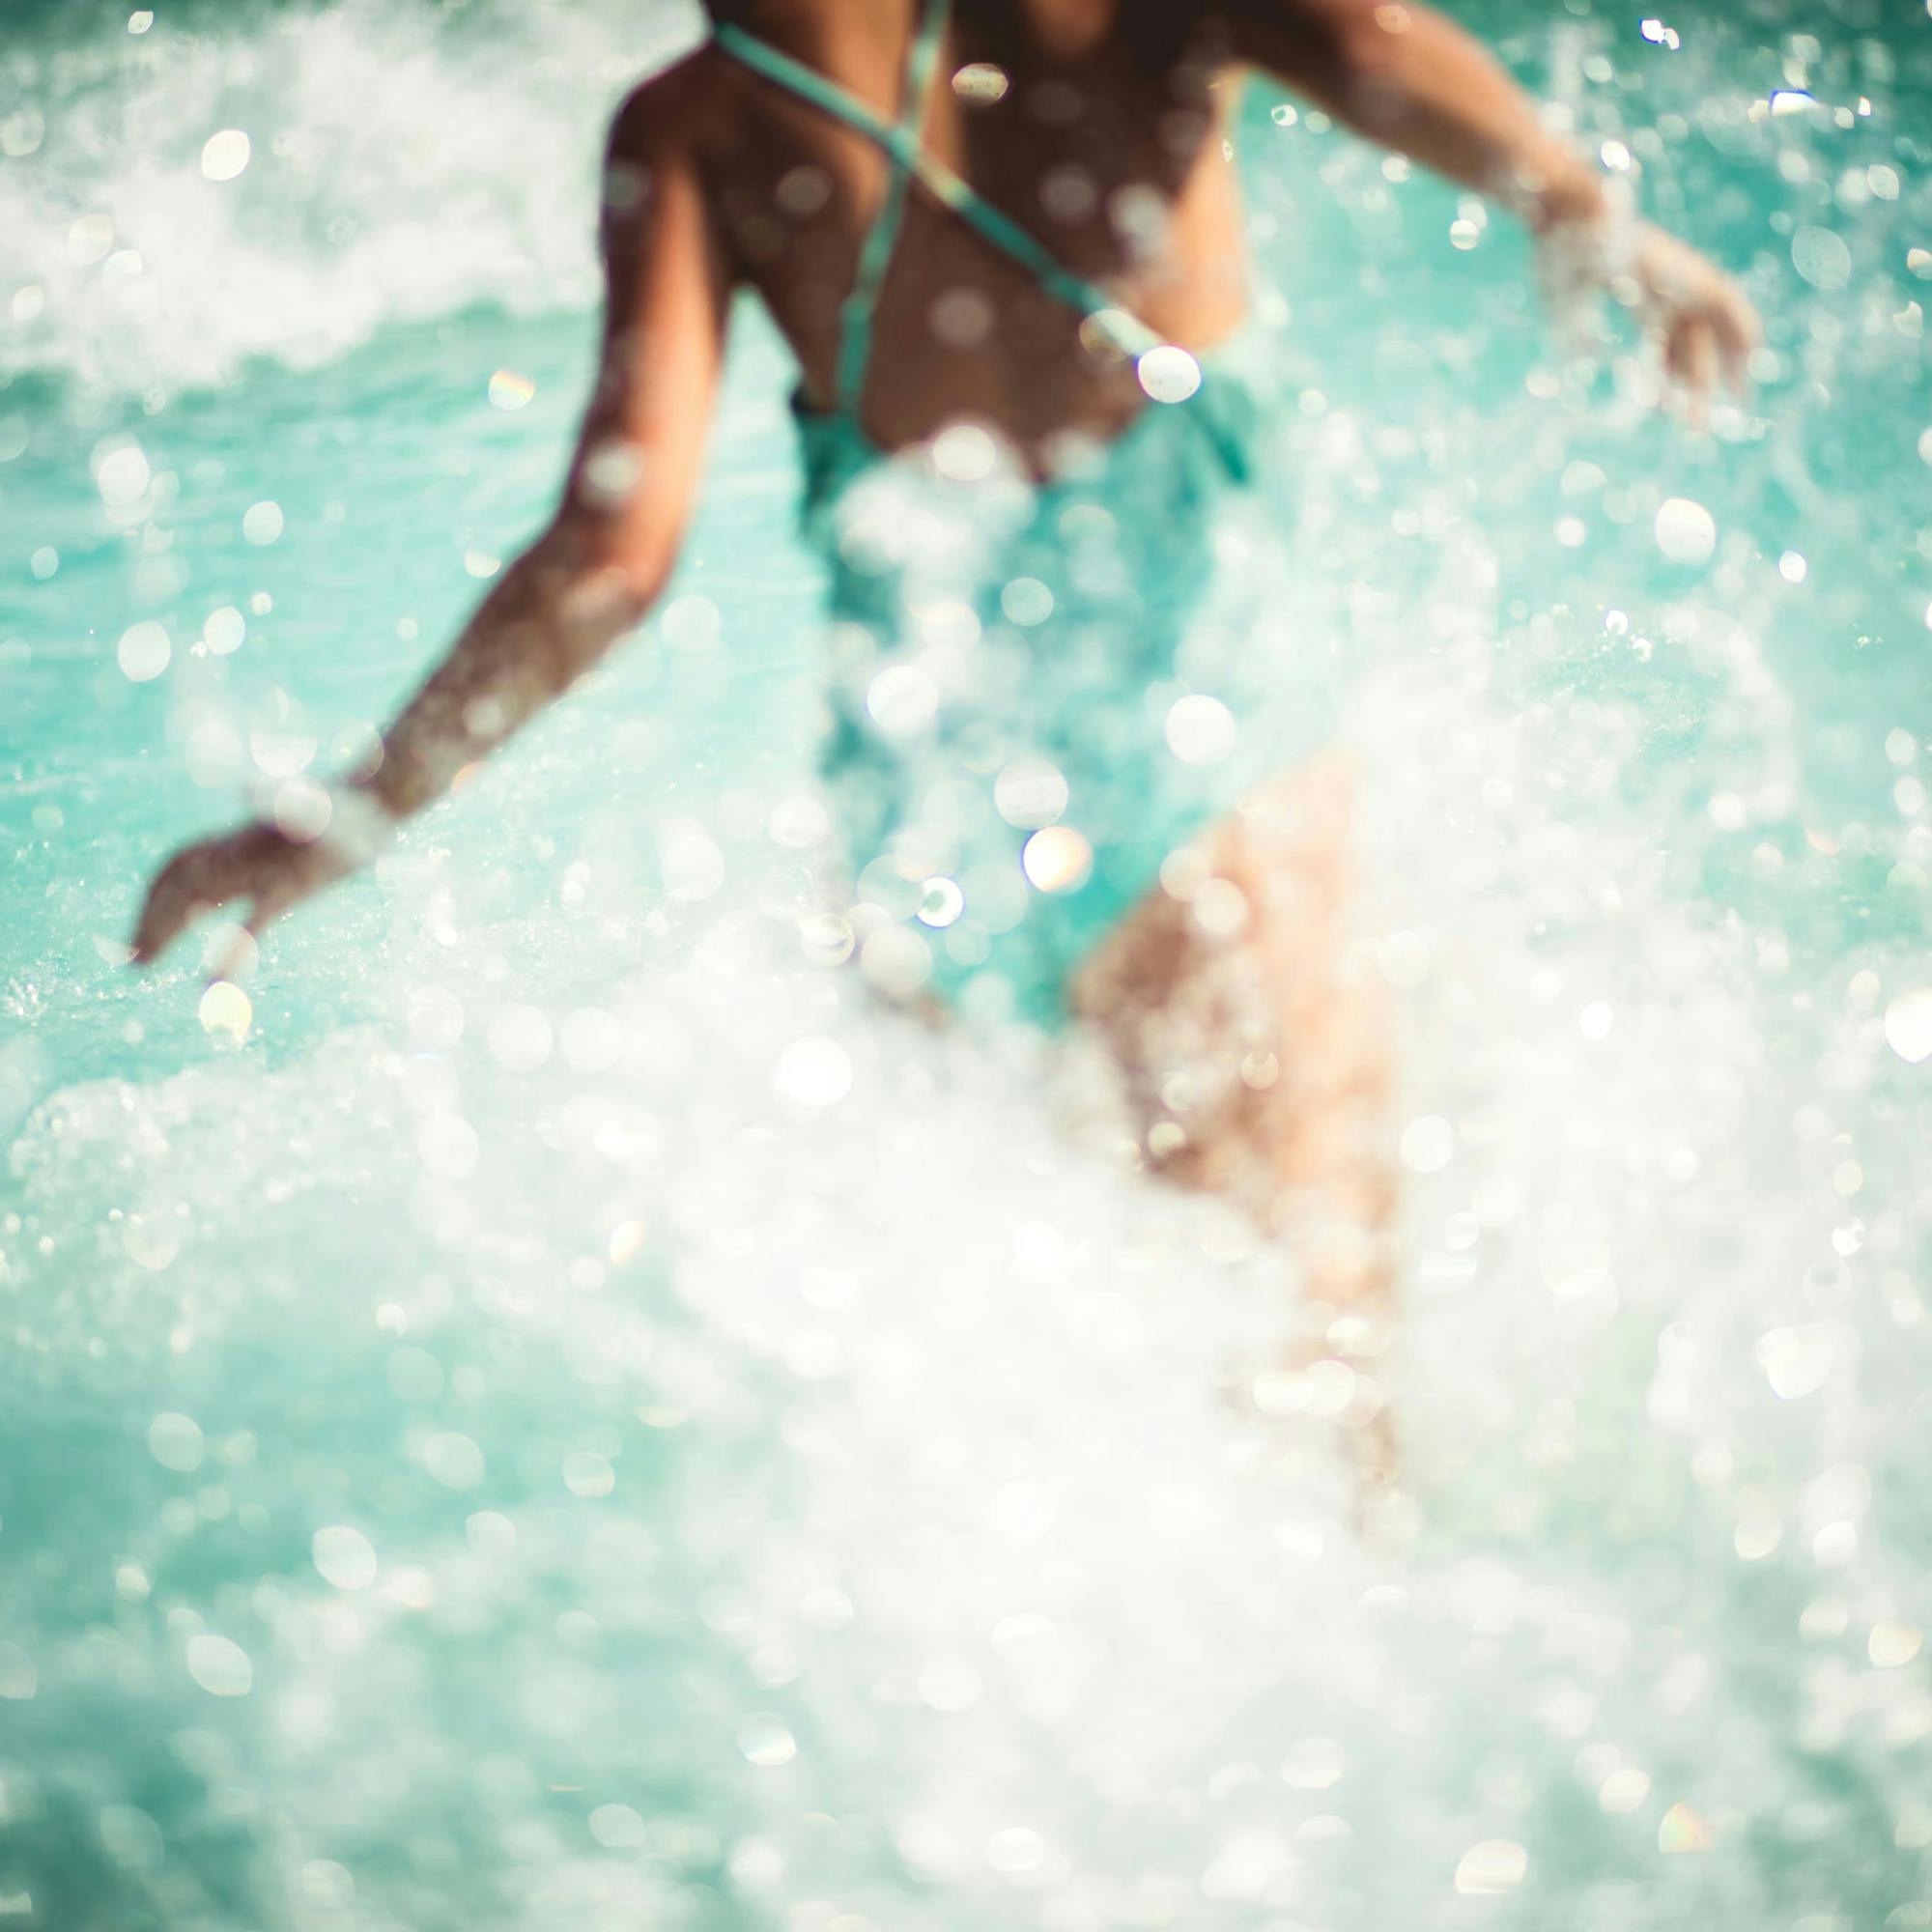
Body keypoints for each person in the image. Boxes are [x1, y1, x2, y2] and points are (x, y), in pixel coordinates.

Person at [130, 0, 1759, 1476]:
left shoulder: (696, 123)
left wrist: (347, 816)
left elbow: (612, 559)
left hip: (936, 809)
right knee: (1316, 1347)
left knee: (1063, 1353)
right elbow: (1370, 46)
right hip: (1201, 732)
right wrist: (1584, 209)